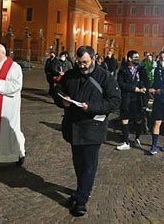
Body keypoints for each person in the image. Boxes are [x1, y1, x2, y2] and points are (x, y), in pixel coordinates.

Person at [53, 46, 121, 217]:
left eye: (85, 62)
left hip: (93, 127)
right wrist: (63, 101)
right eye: (79, 62)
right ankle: (80, 190)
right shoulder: (71, 74)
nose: (82, 66)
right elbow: (57, 90)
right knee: (78, 163)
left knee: (89, 165)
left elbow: (114, 102)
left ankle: (82, 200)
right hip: (73, 127)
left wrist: (91, 107)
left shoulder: (105, 77)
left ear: (93, 58)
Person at [116, 50, 150, 150]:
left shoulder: (141, 69)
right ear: (130, 59)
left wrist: (145, 88)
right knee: (124, 119)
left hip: (138, 99)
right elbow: (120, 84)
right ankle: (126, 142)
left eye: (138, 57)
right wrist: (133, 88)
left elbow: (147, 81)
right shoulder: (123, 70)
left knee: (138, 120)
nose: (137, 59)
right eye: (135, 57)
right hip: (126, 98)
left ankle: (137, 138)